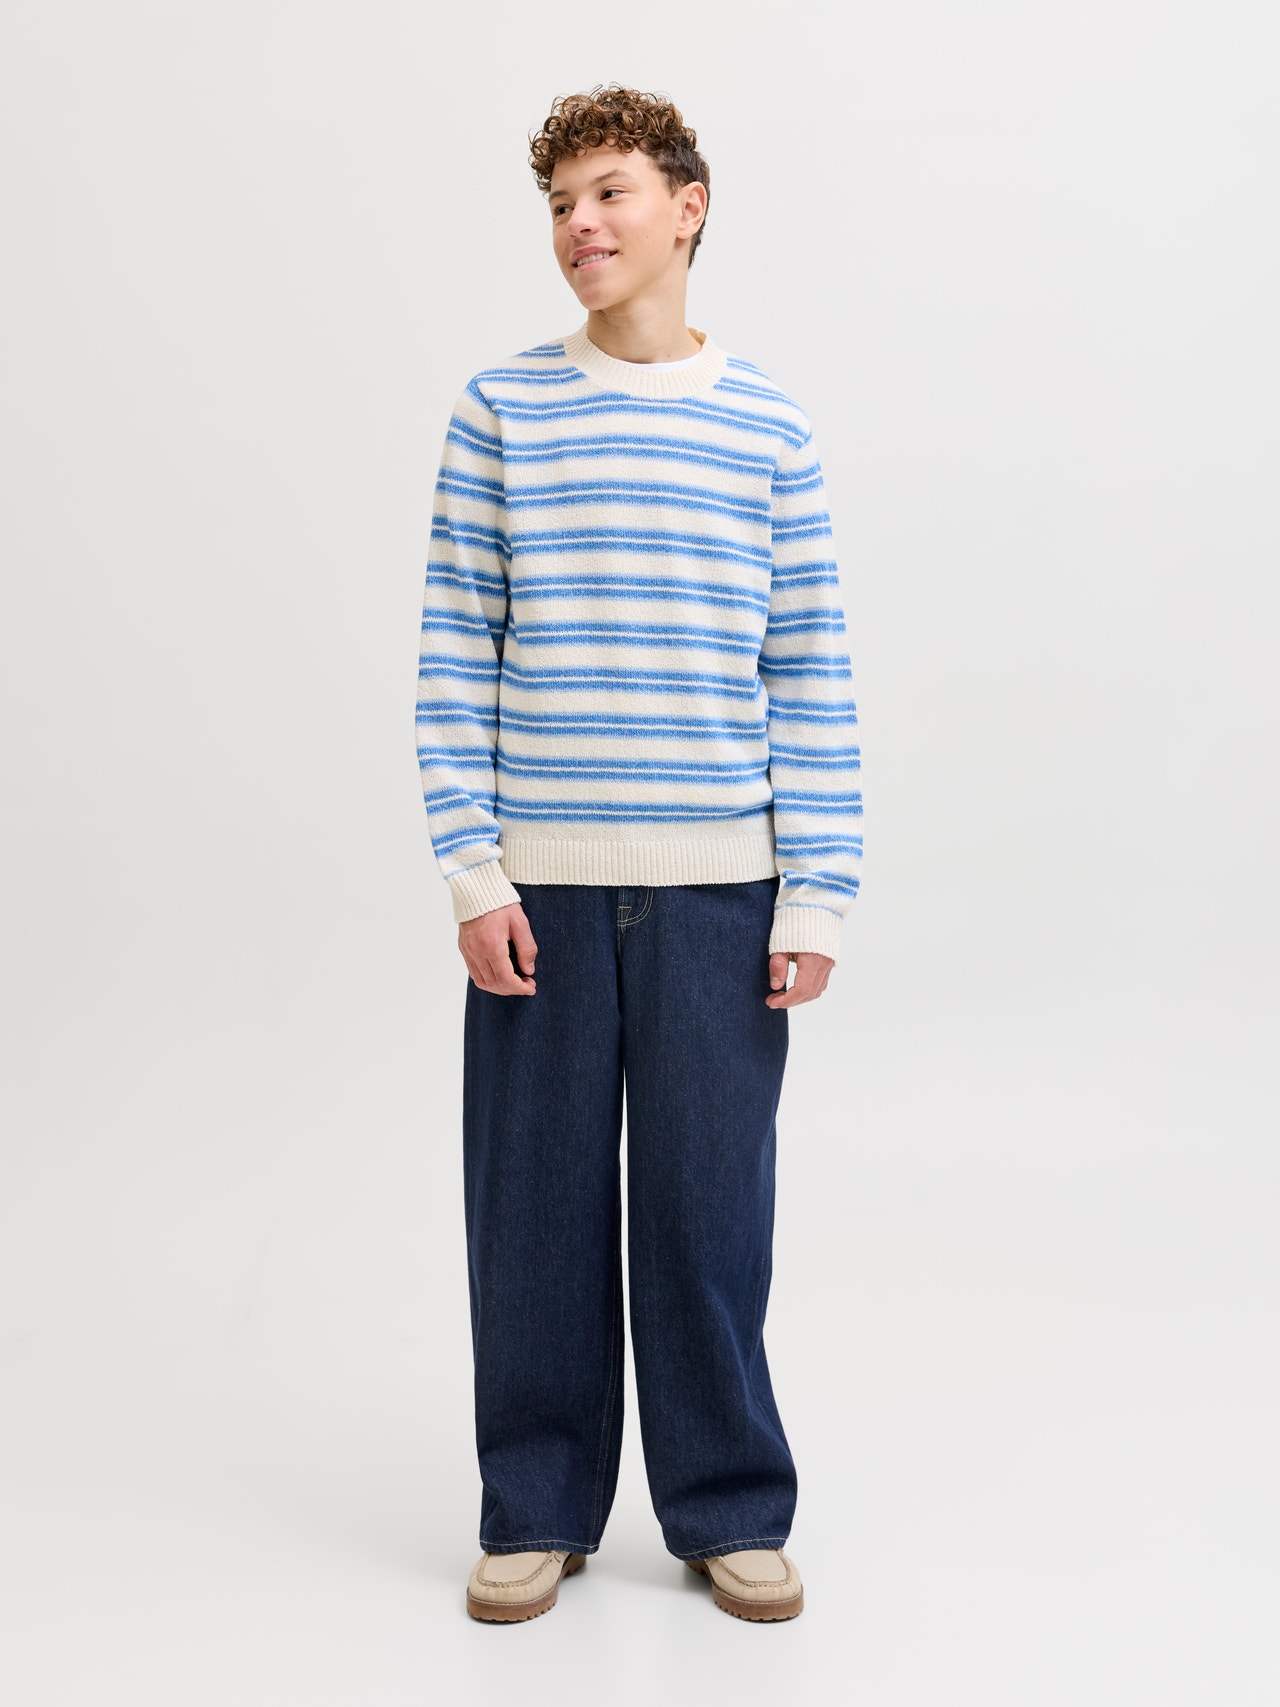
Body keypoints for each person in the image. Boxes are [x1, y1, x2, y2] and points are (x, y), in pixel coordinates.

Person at [415, 82, 864, 1624]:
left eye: (609, 191)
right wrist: (475, 871)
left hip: (723, 896)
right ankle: (536, 1504)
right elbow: (452, 651)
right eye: (559, 203)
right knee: (533, 1213)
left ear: (689, 207)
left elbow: (808, 667)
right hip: (538, 891)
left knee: (707, 1212)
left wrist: (817, 892)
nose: (579, 224)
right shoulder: (501, 412)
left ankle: (727, 1503)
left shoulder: (768, 427)